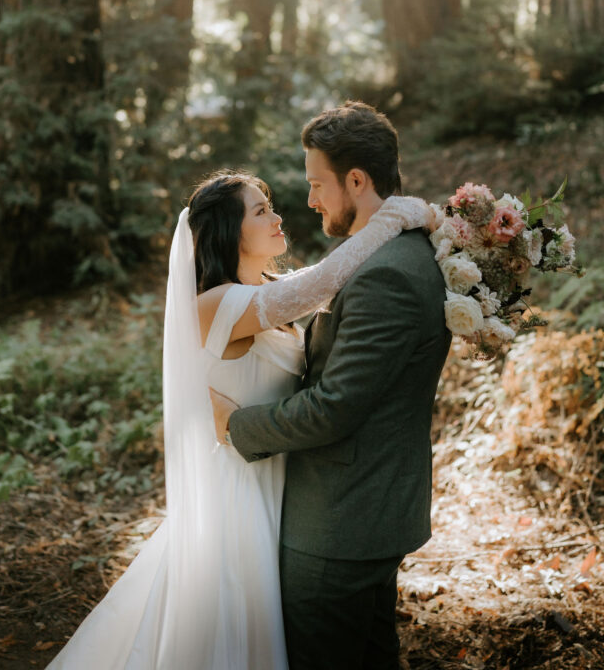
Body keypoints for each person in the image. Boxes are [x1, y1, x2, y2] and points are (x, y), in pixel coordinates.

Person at [46, 153, 433, 669]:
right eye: (259, 211)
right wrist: (394, 218)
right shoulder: (215, 304)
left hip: (286, 477)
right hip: (239, 488)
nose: (277, 218)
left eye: (271, 207)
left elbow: (323, 278)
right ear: (230, 231)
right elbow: (323, 283)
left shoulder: (270, 290)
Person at [210, 102, 451, 670]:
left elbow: (334, 406)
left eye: (318, 183)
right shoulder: (399, 251)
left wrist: (233, 425)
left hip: (339, 522)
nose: (311, 199)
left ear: (357, 180)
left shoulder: (385, 274)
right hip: (369, 508)